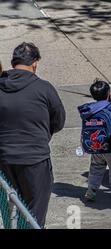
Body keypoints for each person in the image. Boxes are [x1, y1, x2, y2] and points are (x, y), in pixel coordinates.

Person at [0, 42, 66, 227]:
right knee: (34, 211)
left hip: (4, 159)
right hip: (34, 159)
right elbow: (58, 121)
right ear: (35, 63)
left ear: (13, 62)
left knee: (10, 205)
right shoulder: (44, 88)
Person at [78, 80, 111, 202]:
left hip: (95, 147)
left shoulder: (88, 110)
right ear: (109, 93)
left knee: (95, 168)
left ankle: (91, 191)